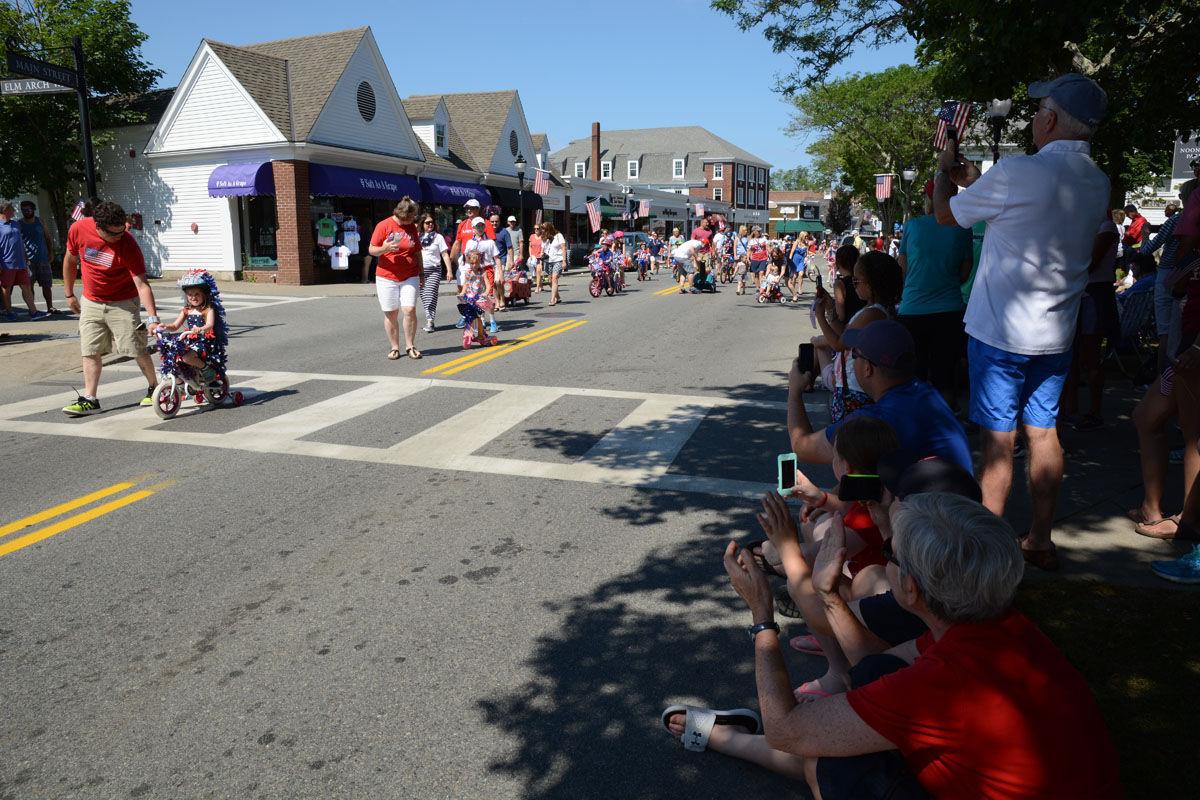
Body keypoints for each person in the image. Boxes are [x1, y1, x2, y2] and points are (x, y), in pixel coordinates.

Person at [664, 490, 1121, 800]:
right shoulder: (997, 626)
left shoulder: (943, 682)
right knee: (871, 680)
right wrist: (827, 594)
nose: (887, 561)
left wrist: (761, 616)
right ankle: (732, 737)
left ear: (911, 591)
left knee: (833, 766)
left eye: (892, 556)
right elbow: (874, 663)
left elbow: (788, 730)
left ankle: (728, 738)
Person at [933, 72, 1110, 570]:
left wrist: (945, 168)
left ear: (1050, 119)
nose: (1033, 118)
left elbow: (947, 217)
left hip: (1000, 330)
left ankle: (989, 550)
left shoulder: (1017, 171)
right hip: (1056, 331)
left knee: (997, 440)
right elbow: (1026, 210)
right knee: (1044, 432)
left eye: (1038, 111)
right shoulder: (1096, 181)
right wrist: (977, 182)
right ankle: (1040, 537)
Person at [788, 319, 972, 472]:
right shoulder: (927, 393)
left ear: (867, 368)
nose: (852, 359)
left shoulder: (876, 420)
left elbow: (802, 446)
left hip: (927, 512)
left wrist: (794, 391)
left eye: (854, 356)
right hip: (954, 505)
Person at [60, 200, 162, 416]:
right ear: (98, 226)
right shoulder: (79, 229)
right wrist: (69, 294)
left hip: (123, 302)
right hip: (92, 301)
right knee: (90, 349)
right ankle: (90, 398)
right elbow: (70, 260)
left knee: (135, 348)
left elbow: (142, 284)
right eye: (114, 234)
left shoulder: (128, 243)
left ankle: (154, 387)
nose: (119, 236)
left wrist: (152, 317)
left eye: (121, 231)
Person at [896, 182, 973, 408]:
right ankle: (945, 427)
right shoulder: (962, 228)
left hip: (913, 309)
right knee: (944, 377)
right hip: (949, 309)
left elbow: (902, 267)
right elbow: (965, 271)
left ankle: (915, 424)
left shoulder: (913, 226)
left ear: (928, 199)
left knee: (913, 374)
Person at [814, 251, 903, 422]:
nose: (854, 285)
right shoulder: (875, 311)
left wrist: (820, 317)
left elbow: (840, 344)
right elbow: (844, 332)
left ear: (871, 284)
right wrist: (831, 308)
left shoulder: (873, 314)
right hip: (854, 385)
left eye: (856, 281)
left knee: (845, 441)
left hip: (854, 390)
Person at [1061, 214, 1122, 430]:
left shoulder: (1106, 227)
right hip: (1079, 295)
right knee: (1070, 354)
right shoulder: (1082, 222)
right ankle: (1071, 408)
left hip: (1095, 296)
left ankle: (1095, 411)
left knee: (1090, 355)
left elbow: (1089, 262)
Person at [155, 270, 228, 405]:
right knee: (173, 357)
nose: (193, 297)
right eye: (190, 295)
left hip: (204, 341)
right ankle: (181, 382)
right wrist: (165, 327)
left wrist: (201, 329)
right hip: (189, 338)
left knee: (186, 356)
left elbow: (210, 325)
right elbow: (175, 325)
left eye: (197, 294)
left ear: (204, 295)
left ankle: (207, 371)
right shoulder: (186, 310)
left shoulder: (208, 309)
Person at [368, 197, 422, 360]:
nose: (414, 220)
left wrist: (422, 273)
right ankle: (394, 347)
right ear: (404, 215)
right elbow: (371, 250)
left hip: (410, 275)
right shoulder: (383, 226)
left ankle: (410, 345)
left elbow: (418, 251)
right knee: (391, 313)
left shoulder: (411, 227)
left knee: (409, 309)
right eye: (412, 217)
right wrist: (384, 248)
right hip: (386, 276)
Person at [449, 199, 495, 327]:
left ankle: (483, 318)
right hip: (465, 261)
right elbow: (457, 242)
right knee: (462, 287)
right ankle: (465, 315)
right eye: (467, 208)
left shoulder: (485, 223)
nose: (469, 210)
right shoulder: (462, 224)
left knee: (479, 290)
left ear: (478, 209)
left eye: (472, 208)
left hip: (480, 262)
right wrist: (450, 261)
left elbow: (491, 243)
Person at [0, 202, 46, 320]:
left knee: (26, 286)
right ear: (5, 211)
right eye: (12, 210)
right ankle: (8, 312)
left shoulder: (15, 224)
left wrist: (25, 257)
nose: (14, 212)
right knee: (6, 288)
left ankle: (33, 311)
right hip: (6, 263)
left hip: (20, 263)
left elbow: (20, 241)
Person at [462, 217, 501, 333]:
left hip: (487, 269)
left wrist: (500, 273)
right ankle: (482, 320)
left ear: (484, 227)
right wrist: (466, 272)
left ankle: (492, 320)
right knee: (477, 296)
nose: (479, 228)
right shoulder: (470, 243)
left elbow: (497, 258)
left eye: (481, 226)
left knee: (488, 296)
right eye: (477, 226)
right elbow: (466, 258)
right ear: (473, 229)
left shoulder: (490, 242)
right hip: (474, 270)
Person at [18, 201, 57, 315]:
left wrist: (51, 252)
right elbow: (18, 243)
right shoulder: (19, 224)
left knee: (46, 285)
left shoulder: (40, 221)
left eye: (28, 209)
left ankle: (50, 307)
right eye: (24, 210)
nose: (26, 212)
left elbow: (48, 238)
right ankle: (33, 309)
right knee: (29, 286)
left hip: (43, 259)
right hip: (28, 261)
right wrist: (24, 259)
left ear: (33, 209)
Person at [457, 250, 497, 349]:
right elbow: (466, 285)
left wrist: (486, 293)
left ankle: (481, 335)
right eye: (472, 263)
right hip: (469, 297)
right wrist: (462, 293)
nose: (474, 265)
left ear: (480, 262)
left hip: (479, 298)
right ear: (468, 262)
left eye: (476, 263)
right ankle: (474, 334)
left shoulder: (482, 272)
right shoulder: (468, 272)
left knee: (478, 316)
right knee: (469, 315)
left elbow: (488, 285)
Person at [418, 214, 452, 333]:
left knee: (430, 295)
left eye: (432, 222)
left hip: (434, 270)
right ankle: (430, 318)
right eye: (427, 222)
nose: (430, 224)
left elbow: (444, 254)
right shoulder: (418, 237)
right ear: (422, 224)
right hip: (420, 271)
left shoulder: (439, 237)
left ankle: (430, 321)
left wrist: (449, 270)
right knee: (424, 296)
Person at [542, 222, 567, 306]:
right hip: (549, 261)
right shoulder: (545, 238)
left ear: (549, 229)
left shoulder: (559, 236)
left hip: (558, 260)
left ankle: (552, 299)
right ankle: (558, 297)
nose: (543, 231)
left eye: (544, 229)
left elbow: (563, 248)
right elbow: (544, 249)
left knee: (554, 278)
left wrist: (564, 260)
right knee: (549, 281)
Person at [527, 222, 545, 292]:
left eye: (538, 228)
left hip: (540, 257)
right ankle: (541, 285)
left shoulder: (543, 237)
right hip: (533, 257)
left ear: (540, 229)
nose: (536, 230)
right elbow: (530, 246)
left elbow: (545, 246)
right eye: (535, 228)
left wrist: (542, 253)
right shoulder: (531, 236)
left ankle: (537, 287)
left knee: (538, 271)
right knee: (535, 273)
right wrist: (530, 255)